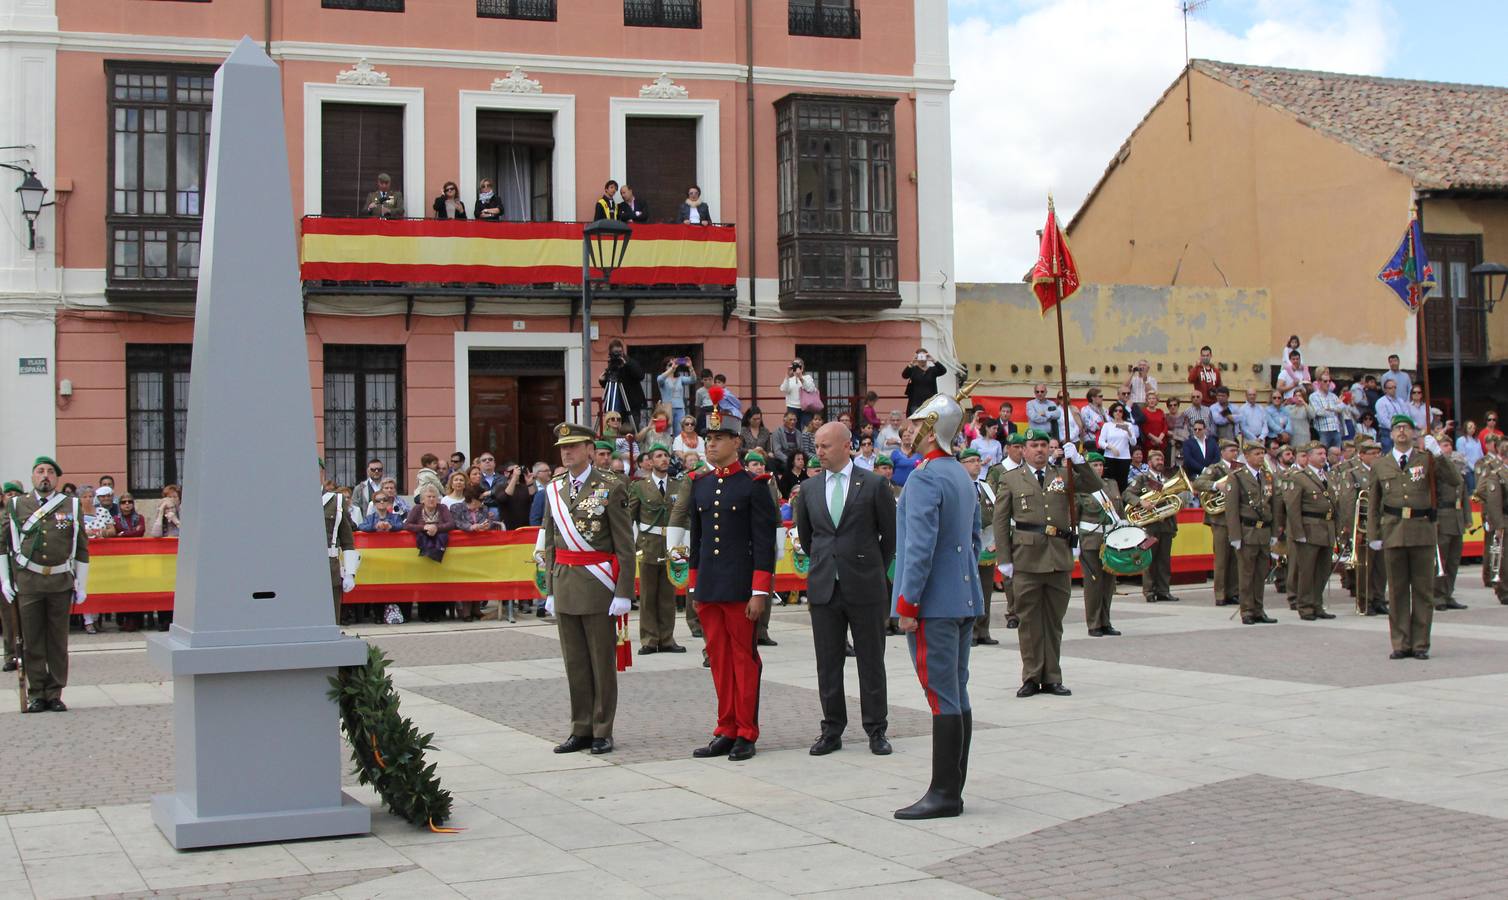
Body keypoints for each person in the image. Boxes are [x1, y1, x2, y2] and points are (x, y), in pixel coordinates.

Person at [890, 390, 983, 820]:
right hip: (961, 598)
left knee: (941, 695)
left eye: (915, 424)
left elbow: (919, 546)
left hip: (933, 605)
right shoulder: (961, 474)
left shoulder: (926, 477)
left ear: (931, 429)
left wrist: (908, 602)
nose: (908, 430)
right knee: (956, 691)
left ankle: (944, 792)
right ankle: (952, 787)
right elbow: (975, 540)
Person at [795, 421, 896, 756]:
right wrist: (829, 563)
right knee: (828, 661)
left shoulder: (873, 484)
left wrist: (869, 567)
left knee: (871, 659)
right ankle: (832, 728)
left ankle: (876, 728)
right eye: (817, 447)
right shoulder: (810, 489)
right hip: (825, 586)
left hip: (865, 585)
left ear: (845, 446)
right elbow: (809, 539)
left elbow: (889, 538)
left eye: (824, 446)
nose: (818, 452)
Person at [686, 401, 777, 762]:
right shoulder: (701, 485)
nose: (711, 444)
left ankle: (746, 732)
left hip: (741, 588)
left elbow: (765, 542)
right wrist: (694, 587)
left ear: (736, 442)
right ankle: (725, 727)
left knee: (744, 659)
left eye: (720, 438)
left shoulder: (754, 485)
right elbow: (697, 540)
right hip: (710, 586)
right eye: (709, 438)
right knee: (719, 660)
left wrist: (759, 591)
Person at [538, 422, 635, 755]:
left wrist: (623, 592)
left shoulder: (612, 485)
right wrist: (550, 589)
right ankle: (580, 727)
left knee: (600, 662)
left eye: (575, 446)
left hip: (598, 584)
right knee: (575, 663)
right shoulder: (554, 488)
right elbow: (551, 540)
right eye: (563, 448)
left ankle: (602, 728)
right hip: (565, 583)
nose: (567, 452)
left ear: (591, 450)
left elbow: (624, 543)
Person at [994, 429, 1103, 699]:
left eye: (1044, 445)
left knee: (1054, 622)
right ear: (1024, 450)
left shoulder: (1062, 474)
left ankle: (1052, 677)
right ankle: (1032, 676)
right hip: (1027, 560)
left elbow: (1092, 485)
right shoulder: (1011, 479)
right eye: (1034, 445)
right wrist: (1004, 559)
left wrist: (1077, 459)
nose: (1040, 450)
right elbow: (1000, 520)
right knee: (1029, 622)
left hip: (1057, 558)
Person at [2, 457, 90, 713]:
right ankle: (37, 692)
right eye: (40, 471)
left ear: (57, 478)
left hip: (60, 581)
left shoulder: (71, 505)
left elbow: (82, 546)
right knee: (32, 640)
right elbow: (3, 543)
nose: (45, 476)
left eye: (50, 472)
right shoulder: (17, 504)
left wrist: (81, 583)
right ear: (32, 477)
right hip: (29, 580)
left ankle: (55, 692)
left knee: (57, 641)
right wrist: (6, 580)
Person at [1368, 416, 1457, 659]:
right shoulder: (1381, 465)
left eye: (1406, 428)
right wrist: (1374, 534)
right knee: (1396, 592)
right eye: (1397, 428)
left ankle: (1420, 644)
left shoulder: (1426, 459)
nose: (1402, 432)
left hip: (1422, 531)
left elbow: (1455, 480)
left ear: (1413, 433)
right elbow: (1374, 503)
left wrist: (1438, 454)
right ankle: (1400, 643)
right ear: (1391, 433)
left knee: (1423, 592)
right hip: (1394, 531)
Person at [628, 445, 686, 655]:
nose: (664, 459)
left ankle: (667, 638)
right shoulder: (640, 487)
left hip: (671, 546)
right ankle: (649, 639)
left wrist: (683, 544)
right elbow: (630, 518)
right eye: (659, 456)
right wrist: (633, 546)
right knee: (648, 595)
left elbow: (684, 517)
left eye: (666, 456)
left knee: (667, 596)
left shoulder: (678, 486)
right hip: (648, 545)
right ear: (650, 462)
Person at [1283, 441, 1339, 621]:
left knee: (1322, 571)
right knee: (1307, 571)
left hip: (1327, 528)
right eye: (1319, 454)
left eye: (1324, 453)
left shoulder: (1327, 476)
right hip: (1309, 528)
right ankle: (1305, 606)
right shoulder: (1299, 477)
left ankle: (1317, 604)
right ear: (1308, 456)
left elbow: (1333, 504)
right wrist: (1298, 533)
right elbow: (1293, 508)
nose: (1323, 457)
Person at [1225, 440, 1278, 625]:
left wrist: (1274, 532)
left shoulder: (1267, 476)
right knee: (1246, 574)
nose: (1261, 457)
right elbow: (1231, 509)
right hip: (1247, 531)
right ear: (1246, 456)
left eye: (1262, 453)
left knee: (1260, 573)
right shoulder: (1237, 476)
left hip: (1264, 531)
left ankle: (1258, 608)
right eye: (1256, 454)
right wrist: (1235, 536)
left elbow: (1274, 505)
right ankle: (1247, 610)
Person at [1125, 449, 1178, 604]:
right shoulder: (1142, 478)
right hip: (1149, 525)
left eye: (1161, 459)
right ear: (1149, 463)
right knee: (1149, 558)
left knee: (1164, 559)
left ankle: (1164, 590)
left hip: (1166, 524)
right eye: (1156, 459)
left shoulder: (1168, 479)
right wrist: (1141, 502)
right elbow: (1127, 494)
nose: (1160, 462)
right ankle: (1149, 591)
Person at [1078, 452, 1123, 636]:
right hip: (1090, 540)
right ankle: (1094, 623)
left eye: (1100, 465)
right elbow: (1074, 513)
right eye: (1094, 465)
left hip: (1111, 539)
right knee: (1094, 584)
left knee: (1108, 583)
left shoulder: (1111, 484)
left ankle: (1106, 621)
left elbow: (1119, 510)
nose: (1098, 468)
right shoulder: (1081, 486)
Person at [1193, 439, 1242, 606]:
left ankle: (1233, 592)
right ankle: (1220, 594)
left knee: (1236, 558)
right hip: (1220, 519)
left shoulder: (1240, 468)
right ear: (1222, 452)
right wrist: (1216, 485)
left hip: (1237, 517)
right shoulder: (1215, 468)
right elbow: (1198, 483)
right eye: (1231, 450)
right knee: (1222, 558)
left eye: (1236, 450)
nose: (1234, 453)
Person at [958, 450, 999, 646]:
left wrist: (996, 541)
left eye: (978, 461)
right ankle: (971, 632)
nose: (976, 464)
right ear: (961, 464)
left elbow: (999, 514)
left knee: (985, 590)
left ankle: (983, 630)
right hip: (965, 546)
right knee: (968, 592)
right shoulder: (958, 486)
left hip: (987, 545)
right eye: (971, 461)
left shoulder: (986, 487)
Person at [319, 460, 359, 626]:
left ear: (322, 473)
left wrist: (350, 572)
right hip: (300, 568)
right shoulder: (292, 501)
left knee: (331, 620)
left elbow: (348, 541)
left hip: (330, 567)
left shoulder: (336, 501)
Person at [600, 338, 645, 427]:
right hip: (616, 407)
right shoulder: (612, 365)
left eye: (619, 352)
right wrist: (602, 381)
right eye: (614, 353)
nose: (617, 355)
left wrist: (626, 364)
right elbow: (610, 386)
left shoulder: (630, 362)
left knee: (630, 432)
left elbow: (640, 375)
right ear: (610, 353)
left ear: (623, 351)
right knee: (613, 432)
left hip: (631, 407)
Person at [1096, 402, 1138, 489]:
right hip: (1109, 457)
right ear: (1112, 412)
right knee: (1109, 481)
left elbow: (1133, 442)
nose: (1118, 413)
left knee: (1122, 483)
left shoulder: (1128, 425)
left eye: (1120, 411)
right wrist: (1111, 447)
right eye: (1116, 411)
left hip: (1124, 458)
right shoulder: (1107, 425)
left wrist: (1128, 431)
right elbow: (1101, 442)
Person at [901, 349, 947, 415]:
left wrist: (933, 360)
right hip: (916, 403)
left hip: (930, 403)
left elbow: (943, 370)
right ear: (917, 357)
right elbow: (904, 375)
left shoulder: (932, 370)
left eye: (924, 355)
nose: (922, 358)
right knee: (917, 423)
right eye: (920, 356)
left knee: (930, 423)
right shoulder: (913, 369)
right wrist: (912, 362)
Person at [658, 356, 697, 433]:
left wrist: (690, 367)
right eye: (669, 364)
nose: (672, 366)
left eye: (674, 364)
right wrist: (671, 369)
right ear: (665, 367)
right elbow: (660, 379)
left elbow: (693, 380)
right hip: (667, 408)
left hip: (680, 408)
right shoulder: (663, 379)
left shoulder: (680, 379)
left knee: (679, 432)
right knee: (666, 432)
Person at [780, 359, 820, 429]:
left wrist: (800, 378)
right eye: (795, 365)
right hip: (792, 407)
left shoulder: (807, 377)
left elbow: (810, 389)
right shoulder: (789, 379)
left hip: (806, 407)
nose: (797, 368)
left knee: (808, 428)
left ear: (802, 367)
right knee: (793, 429)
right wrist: (787, 376)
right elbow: (784, 389)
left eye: (799, 366)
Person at [350, 458, 386, 524]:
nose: (376, 471)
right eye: (373, 469)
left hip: (385, 526)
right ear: (368, 471)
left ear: (382, 471)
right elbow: (354, 508)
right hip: (365, 527)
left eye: (379, 469)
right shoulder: (359, 488)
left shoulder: (388, 487)